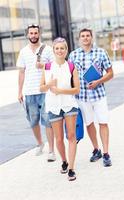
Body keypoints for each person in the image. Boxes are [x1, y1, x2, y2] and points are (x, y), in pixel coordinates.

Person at [69, 28, 113, 167]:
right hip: (81, 97)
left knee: (103, 122)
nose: (85, 38)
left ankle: (106, 153)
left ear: (92, 37)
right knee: (89, 124)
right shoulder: (73, 55)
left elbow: (110, 73)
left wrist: (98, 81)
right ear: (79, 39)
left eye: (88, 35)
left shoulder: (101, 53)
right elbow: (69, 75)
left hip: (99, 95)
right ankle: (96, 149)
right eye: (83, 36)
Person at [40, 37, 80, 181]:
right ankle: (64, 161)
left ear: (66, 50)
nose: (59, 51)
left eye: (62, 48)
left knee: (71, 136)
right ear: (53, 50)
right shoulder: (47, 67)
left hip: (69, 104)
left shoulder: (71, 66)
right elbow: (41, 87)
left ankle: (71, 168)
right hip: (53, 105)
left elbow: (77, 90)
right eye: (57, 48)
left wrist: (60, 90)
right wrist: (50, 84)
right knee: (58, 139)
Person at [17, 24, 55, 161]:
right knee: (33, 121)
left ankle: (51, 150)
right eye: (31, 33)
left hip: (45, 91)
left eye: (35, 33)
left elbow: (56, 66)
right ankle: (40, 143)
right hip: (29, 92)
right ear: (27, 35)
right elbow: (21, 72)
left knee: (48, 121)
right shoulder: (23, 52)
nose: (33, 35)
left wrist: (44, 65)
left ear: (39, 34)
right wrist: (19, 91)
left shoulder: (48, 49)